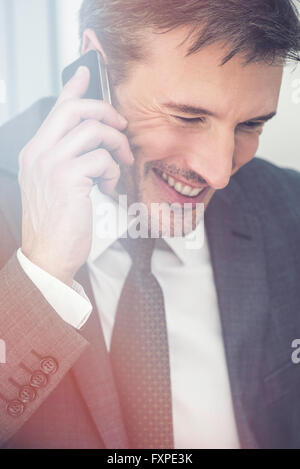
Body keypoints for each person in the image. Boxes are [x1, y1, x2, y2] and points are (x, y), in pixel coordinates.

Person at [0, 0, 300, 449]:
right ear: (94, 68)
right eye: (188, 116)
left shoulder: (289, 209)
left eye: (250, 124)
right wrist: (41, 276)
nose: (219, 172)